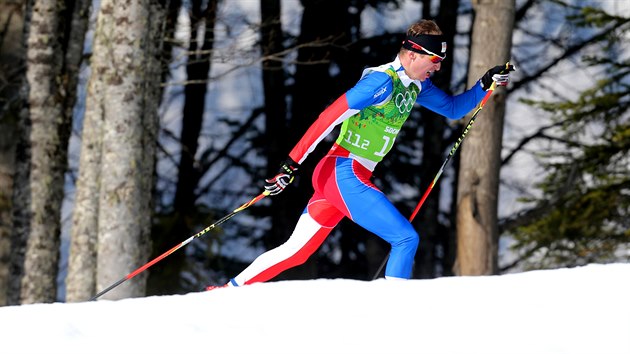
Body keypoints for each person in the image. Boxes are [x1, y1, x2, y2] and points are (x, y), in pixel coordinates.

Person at [207, 19, 514, 289]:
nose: (437, 67)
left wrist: (484, 83)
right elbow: (328, 118)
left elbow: (453, 109)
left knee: (296, 251)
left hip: (343, 176)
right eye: (434, 60)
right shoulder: (381, 82)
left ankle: (226, 292)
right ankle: (393, 319)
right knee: (405, 238)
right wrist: (290, 165)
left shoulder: (416, 85)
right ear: (411, 54)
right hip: (342, 170)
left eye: (441, 61)